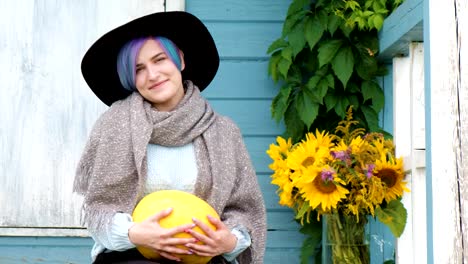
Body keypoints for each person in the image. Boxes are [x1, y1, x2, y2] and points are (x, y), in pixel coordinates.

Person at [73, 11, 267, 264]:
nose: (153, 75)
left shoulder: (224, 132)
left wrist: (228, 241)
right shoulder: (114, 126)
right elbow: (99, 209)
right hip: (130, 258)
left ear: (180, 61)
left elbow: (244, 211)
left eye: (160, 60)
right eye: (139, 69)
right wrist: (135, 234)